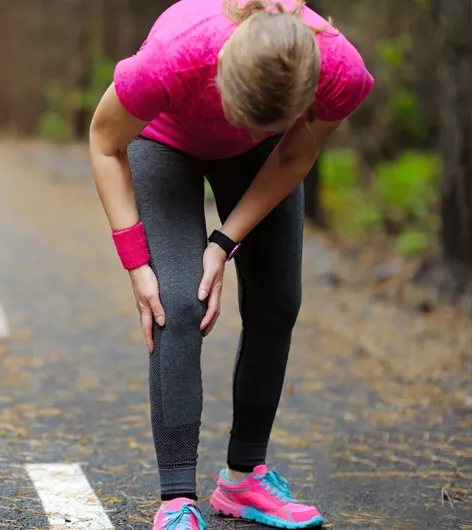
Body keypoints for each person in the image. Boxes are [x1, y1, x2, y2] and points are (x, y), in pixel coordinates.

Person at [88, 0, 373, 528]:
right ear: (219, 75)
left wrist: (223, 242)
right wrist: (135, 264)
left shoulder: (340, 72)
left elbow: (292, 156)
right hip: (165, 140)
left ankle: (244, 480)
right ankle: (176, 499)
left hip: (267, 156)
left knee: (277, 300)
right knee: (175, 299)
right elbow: (105, 142)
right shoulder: (175, 56)